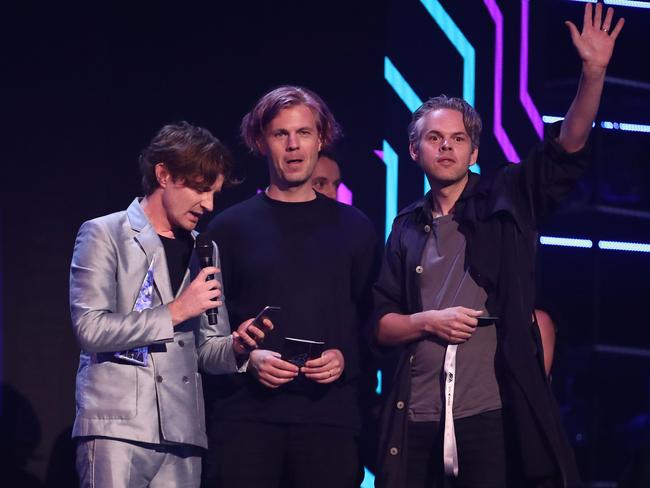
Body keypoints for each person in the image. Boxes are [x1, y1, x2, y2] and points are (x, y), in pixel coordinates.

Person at [372, 4, 623, 487]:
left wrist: (592, 74)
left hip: (487, 411)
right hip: (415, 413)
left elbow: (566, 149)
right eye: (435, 138)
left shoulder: (508, 196)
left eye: (458, 138)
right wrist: (428, 321)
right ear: (414, 150)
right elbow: (382, 325)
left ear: (474, 151)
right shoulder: (405, 225)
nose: (446, 146)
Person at [69, 121, 267, 487]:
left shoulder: (206, 249)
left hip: (183, 434)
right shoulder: (104, 233)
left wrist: (237, 347)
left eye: (214, 194)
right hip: (118, 427)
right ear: (164, 174)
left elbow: (207, 348)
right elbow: (90, 329)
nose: (208, 204)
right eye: (201, 190)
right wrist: (178, 310)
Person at [203, 85, 378, 488]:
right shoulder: (228, 229)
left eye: (304, 133)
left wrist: (344, 357)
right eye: (281, 134)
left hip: (329, 420)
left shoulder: (356, 228)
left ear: (321, 139)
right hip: (244, 419)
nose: (294, 145)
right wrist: (248, 361)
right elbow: (204, 328)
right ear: (261, 142)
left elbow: (373, 320)